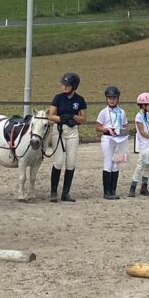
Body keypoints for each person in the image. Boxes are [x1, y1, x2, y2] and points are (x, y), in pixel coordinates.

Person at [48, 72, 87, 202]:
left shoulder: (79, 100)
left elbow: (83, 119)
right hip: (59, 130)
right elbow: (51, 115)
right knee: (58, 162)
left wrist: (73, 117)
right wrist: (62, 118)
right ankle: (53, 191)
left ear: (74, 86)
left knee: (71, 162)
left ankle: (66, 192)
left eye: (67, 85)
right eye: (63, 85)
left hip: (72, 131)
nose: (64, 87)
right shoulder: (58, 98)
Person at [95, 86, 128, 200]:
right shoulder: (103, 112)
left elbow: (124, 125)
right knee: (108, 162)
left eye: (114, 98)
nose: (111, 100)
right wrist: (106, 129)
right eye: (109, 98)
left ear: (117, 98)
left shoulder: (122, 112)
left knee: (116, 164)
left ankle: (113, 189)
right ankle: (106, 191)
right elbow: (98, 127)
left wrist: (122, 132)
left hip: (118, 139)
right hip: (108, 139)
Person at [129, 92, 149, 197]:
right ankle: (133, 187)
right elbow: (141, 131)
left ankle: (144, 186)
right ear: (143, 105)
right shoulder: (139, 117)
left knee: (148, 165)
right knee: (140, 165)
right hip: (144, 144)